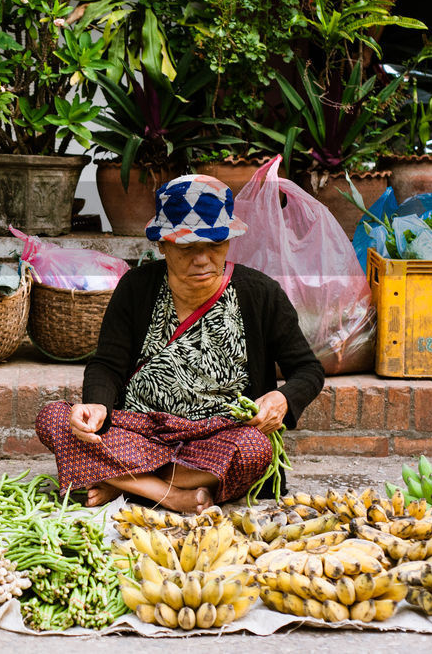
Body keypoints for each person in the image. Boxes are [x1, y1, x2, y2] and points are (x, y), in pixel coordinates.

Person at [35, 175, 325, 513]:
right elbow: (106, 364)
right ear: (162, 244)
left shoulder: (260, 293)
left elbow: (308, 370)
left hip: (216, 436)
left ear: (229, 241)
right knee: (55, 418)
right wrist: (97, 407)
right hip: (139, 432)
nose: (202, 259)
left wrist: (283, 399)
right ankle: (169, 494)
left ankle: (118, 480)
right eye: (187, 247)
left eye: (214, 244)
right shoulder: (137, 287)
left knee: (254, 450)